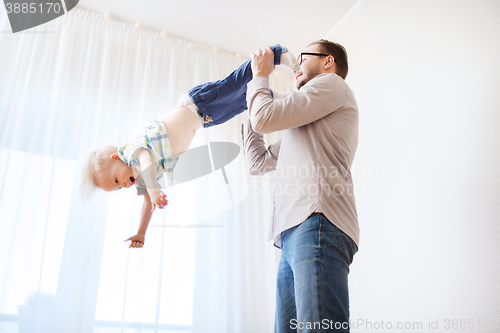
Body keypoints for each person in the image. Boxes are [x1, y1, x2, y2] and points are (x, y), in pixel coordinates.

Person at [81, 44, 299, 249]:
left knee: (234, 84)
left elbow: (147, 159)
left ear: (115, 159)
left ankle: (276, 54)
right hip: (205, 118)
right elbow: (147, 205)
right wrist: (141, 233)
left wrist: (154, 188)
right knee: (245, 102)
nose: (123, 186)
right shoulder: (144, 179)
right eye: (119, 188)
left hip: (197, 102)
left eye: (116, 180)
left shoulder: (131, 151)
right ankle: (289, 99)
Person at [242, 39, 359, 332]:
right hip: (294, 230)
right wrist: (247, 107)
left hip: (317, 220)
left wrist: (260, 78)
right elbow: (258, 161)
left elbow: (266, 117)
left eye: (303, 57)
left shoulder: (332, 84)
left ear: (327, 62)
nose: (296, 66)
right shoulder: (306, 127)